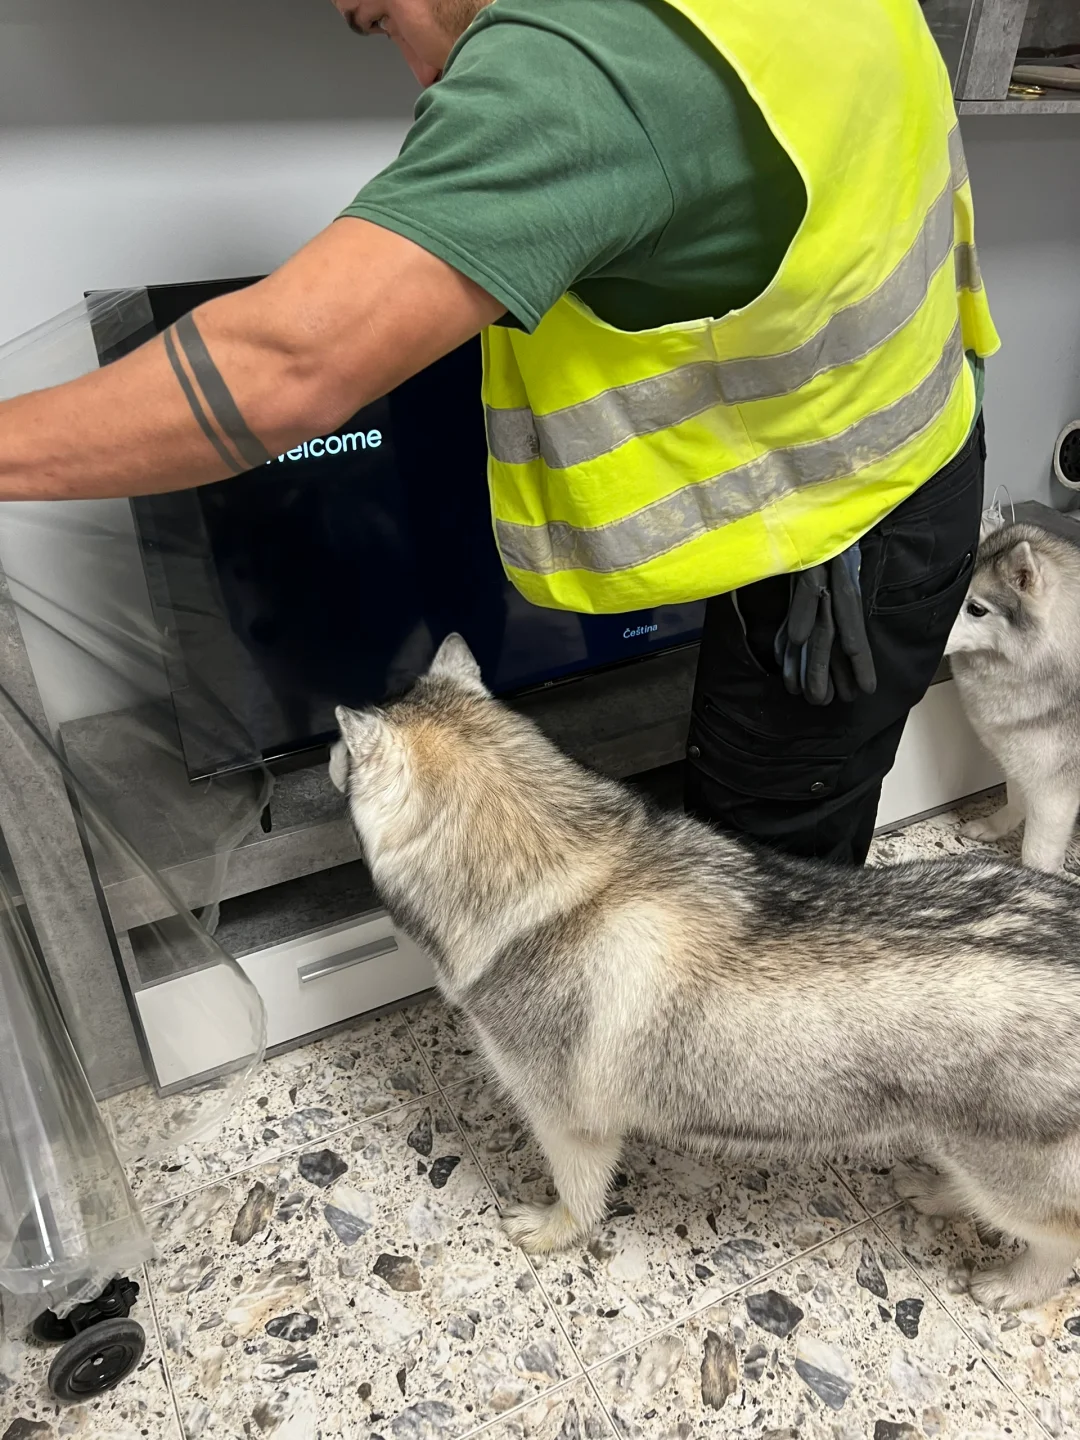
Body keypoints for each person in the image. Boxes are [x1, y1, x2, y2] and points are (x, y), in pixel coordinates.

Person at [0, 0, 998, 865]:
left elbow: (283, 370)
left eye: (380, 20)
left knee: (765, 898)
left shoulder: (582, 59)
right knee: (797, 828)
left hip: (837, 564)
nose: (422, 73)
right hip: (907, 450)